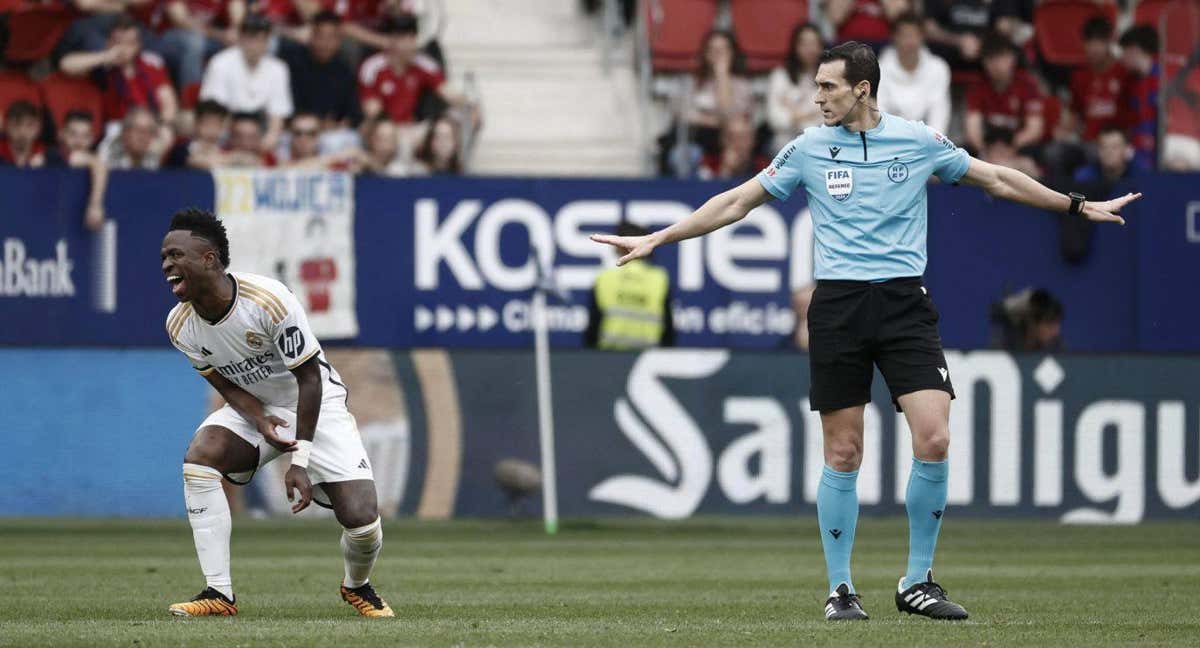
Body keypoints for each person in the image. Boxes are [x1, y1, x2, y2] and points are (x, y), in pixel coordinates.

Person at [592, 40, 1137, 622]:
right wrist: (660, 238)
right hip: (839, 306)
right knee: (844, 451)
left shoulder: (919, 140)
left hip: (904, 304)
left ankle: (917, 582)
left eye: (828, 87)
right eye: (816, 85)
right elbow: (736, 203)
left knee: (934, 438)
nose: (817, 96)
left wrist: (1076, 206)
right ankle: (841, 589)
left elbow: (997, 179)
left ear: (862, 89)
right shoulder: (806, 149)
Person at [160, 207, 393, 618]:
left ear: (209, 259)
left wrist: (297, 462)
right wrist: (259, 420)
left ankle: (357, 585)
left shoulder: (267, 301)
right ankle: (219, 592)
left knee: (361, 520)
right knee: (201, 456)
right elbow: (226, 385)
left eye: (176, 255)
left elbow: (310, 380)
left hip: (315, 404)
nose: (167, 265)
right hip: (257, 405)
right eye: (164, 256)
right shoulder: (180, 326)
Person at [60, 14, 180, 129]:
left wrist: (163, 126)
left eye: (129, 43)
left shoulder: (151, 63)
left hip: (151, 127)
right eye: (118, 42)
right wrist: (106, 56)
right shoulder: (101, 66)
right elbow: (66, 65)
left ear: (138, 45)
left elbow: (169, 104)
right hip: (117, 128)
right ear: (109, 43)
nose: (123, 48)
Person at [200, 13, 293, 152]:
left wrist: (268, 141)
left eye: (260, 40)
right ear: (241, 38)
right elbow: (214, 112)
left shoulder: (278, 68)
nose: (254, 45)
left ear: (268, 42)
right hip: (227, 130)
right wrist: (239, 139)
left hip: (261, 131)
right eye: (250, 38)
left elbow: (277, 117)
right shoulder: (220, 62)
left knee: (284, 141)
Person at [358, 13, 467, 125]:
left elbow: (449, 92)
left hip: (410, 129)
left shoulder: (424, 64)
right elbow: (372, 110)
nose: (411, 45)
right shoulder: (372, 67)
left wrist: (468, 106)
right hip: (380, 129)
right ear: (392, 40)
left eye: (413, 38)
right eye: (404, 39)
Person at [584, 222, 674, 350]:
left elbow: (593, 328)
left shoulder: (605, 278)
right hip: (648, 357)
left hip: (607, 357)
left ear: (620, 246)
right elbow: (668, 330)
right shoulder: (659, 278)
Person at [281, 11, 362, 130]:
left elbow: (353, 115)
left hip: (332, 133)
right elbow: (285, 110)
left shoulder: (344, 70)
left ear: (339, 40)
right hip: (296, 130)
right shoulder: (291, 62)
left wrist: (337, 125)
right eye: (320, 36)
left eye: (331, 37)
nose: (325, 43)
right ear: (312, 36)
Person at [965, 33, 1044, 154]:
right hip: (988, 145)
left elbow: (1034, 130)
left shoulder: (1028, 85)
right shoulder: (977, 86)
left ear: (1013, 57)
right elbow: (973, 130)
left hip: (1018, 145)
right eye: (990, 58)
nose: (996, 64)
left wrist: (1010, 149)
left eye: (1001, 56)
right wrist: (985, 151)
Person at [877, 12, 950, 134]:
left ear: (922, 37)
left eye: (915, 35)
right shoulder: (877, 70)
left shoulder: (939, 68)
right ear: (894, 37)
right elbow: (878, 115)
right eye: (905, 36)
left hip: (928, 145)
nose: (910, 42)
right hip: (889, 143)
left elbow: (939, 116)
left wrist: (930, 147)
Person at [1070, 16, 1130, 144]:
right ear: (1083, 44)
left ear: (1109, 42)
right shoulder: (1079, 75)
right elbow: (1075, 113)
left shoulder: (1124, 73)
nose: (1095, 48)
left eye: (1100, 42)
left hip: (1114, 144)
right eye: (1090, 42)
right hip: (1086, 141)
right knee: (1054, 153)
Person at [766, 23, 824, 151]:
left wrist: (795, 115)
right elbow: (773, 117)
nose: (810, 49)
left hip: (820, 141)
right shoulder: (780, 76)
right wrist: (804, 116)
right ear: (795, 47)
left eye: (814, 43)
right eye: (805, 44)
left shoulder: (830, 78)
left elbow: (831, 117)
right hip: (786, 140)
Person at [53, 109, 110, 231]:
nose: (79, 142)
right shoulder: (53, 155)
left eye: (85, 136)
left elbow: (97, 164)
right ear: (61, 134)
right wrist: (95, 206)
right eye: (73, 134)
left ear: (92, 139)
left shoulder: (93, 159)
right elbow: (96, 163)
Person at [1118, 25, 1159, 169]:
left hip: (1160, 146)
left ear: (1134, 50)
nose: (1122, 59)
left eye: (1124, 53)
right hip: (1136, 149)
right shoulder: (1128, 83)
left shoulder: (1165, 79)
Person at [990, 287, 1064, 352]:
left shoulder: (1058, 349)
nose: (1056, 332)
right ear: (1032, 323)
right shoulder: (1005, 349)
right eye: (1049, 325)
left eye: (1057, 324)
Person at [164, 99, 230, 168]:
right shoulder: (182, 149)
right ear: (196, 124)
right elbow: (197, 162)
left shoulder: (225, 149)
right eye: (207, 124)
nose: (211, 129)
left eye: (217, 125)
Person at [98, 106, 166, 169]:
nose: (143, 137)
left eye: (148, 131)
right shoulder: (109, 150)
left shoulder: (153, 155)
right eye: (139, 130)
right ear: (125, 133)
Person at [0, 101, 54, 168]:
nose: (22, 132)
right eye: (16, 125)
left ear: (38, 128)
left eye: (29, 125)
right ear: (6, 127)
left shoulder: (49, 156)